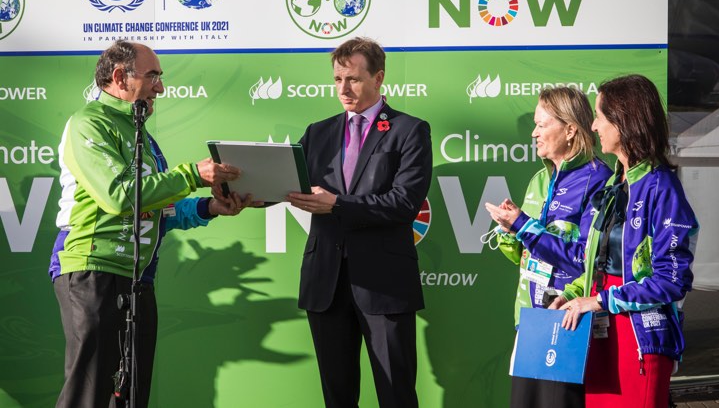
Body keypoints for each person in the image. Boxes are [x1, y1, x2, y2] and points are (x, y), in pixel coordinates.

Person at [49, 40, 255, 408]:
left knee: (131, 397)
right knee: (89, 395)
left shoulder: (144, 136)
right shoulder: (88, 123)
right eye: (153, 76)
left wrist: (210, 207)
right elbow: (118, 196)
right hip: (93, 270)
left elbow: (157, 209)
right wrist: (193, 173)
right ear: (118, 77)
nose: (160, 87)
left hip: (138, 279)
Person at [286, 37, 432, 408]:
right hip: (326, 283)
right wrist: (245, 188)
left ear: (378, 77)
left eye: (352, 79)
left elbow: (402, 204)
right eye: (337, 79)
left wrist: (336, 204)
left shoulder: (410, 130)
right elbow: (290, 184)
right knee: (337, 397)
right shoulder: (318, 132)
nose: (343, 89)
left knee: (396, 395)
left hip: (384, 285)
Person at [553, 75, 698, 408]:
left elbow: (671, 281)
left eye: (600, 116)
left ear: (624, 121)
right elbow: (593, 259)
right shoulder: (614, 186)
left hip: (639, 339)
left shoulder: (662, 187)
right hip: (602, 336)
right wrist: (574, 295)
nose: (593, 125)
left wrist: (601, 301)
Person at [484, 87, 612, 408]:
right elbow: (521, 255)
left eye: (542, 125)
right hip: (530, 321)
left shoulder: (598, 181)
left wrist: (571, 295)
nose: (534, 133)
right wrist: (509, 233)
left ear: (570, 130)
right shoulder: (539, 180)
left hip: (568, 320)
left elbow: (592, 260)